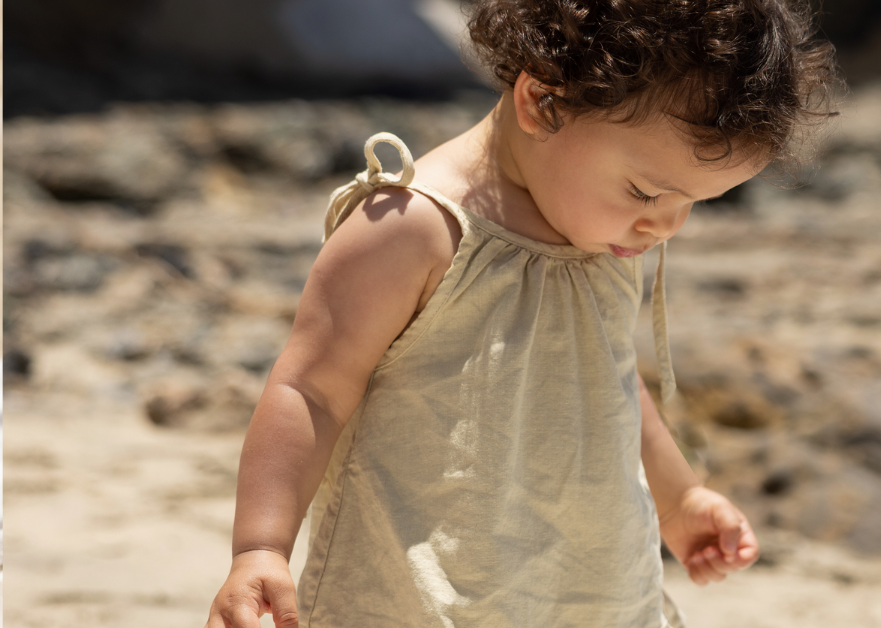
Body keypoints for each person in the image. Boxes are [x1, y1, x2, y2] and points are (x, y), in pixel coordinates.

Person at [204, 1, 837, 626]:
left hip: (589, 587)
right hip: (420, 595)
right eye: (647, 191)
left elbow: (607, 380)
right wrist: (261, 547)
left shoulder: (604, 233)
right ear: (544, 102)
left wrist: (681, 499)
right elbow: (310, 389)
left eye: (696, 202)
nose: (665, 225)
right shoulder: (411, 229)